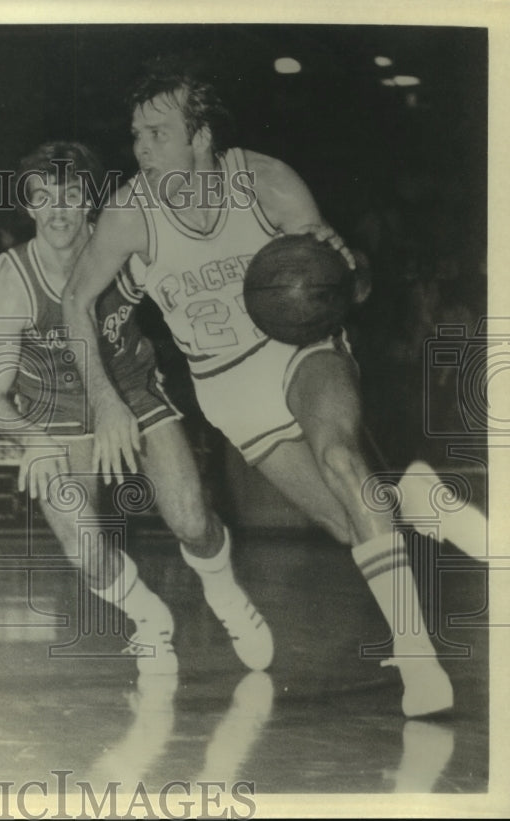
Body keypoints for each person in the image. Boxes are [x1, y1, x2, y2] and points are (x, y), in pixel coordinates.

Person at [62, 55, 459, 716]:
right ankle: (411, 493)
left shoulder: (268, 183)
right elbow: (77, 301)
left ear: (201, 137)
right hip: (228, 389)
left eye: (158, 133)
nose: (142, 149)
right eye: (136, 136)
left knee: (340, 457)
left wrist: (345, 262)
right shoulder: (130, 215)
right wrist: (105, 398)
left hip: (300, 352)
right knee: (346, 519)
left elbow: (344, 286)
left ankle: (418, 658)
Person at [0, 141, 273, 678]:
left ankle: (226, 597)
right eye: (44, 198)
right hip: (53, 412)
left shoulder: (126, 251)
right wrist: (32, 440)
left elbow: (210, 277)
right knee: (83, 549)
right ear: (29, 207)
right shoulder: (14, 283)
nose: (58, 210)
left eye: (69, 195)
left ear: (90, 199)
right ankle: (150, 618)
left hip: (130, 389)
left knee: (192, 522)